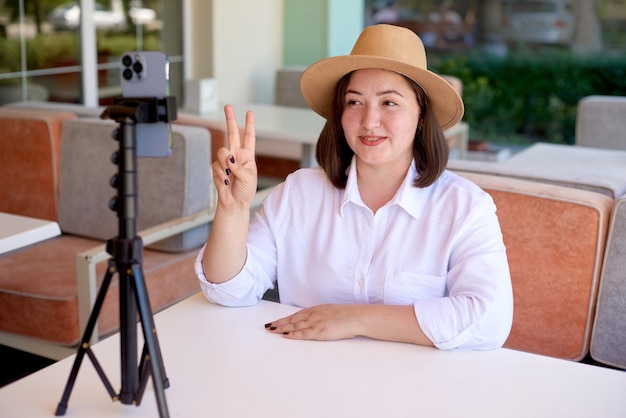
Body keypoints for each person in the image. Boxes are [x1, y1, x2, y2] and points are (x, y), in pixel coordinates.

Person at [194, 24, 513, 350]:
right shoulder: (298, 193)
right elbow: (228, 290)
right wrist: (232, 210)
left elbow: (490, 320)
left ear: (421, 115)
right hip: (303, 378)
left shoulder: (465, 207)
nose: (369, 121)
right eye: (354, 102)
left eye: (389, 103)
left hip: (414, 390)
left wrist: (354, 318)